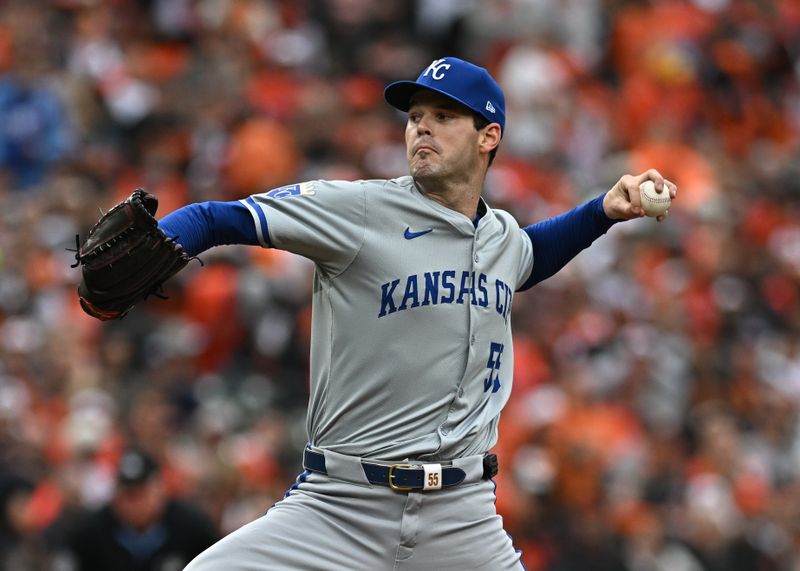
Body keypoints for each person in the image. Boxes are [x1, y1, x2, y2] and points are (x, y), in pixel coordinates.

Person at [150, 56, 676, 570]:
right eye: (415, 117)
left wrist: (602, 213)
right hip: (340, 506)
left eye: (443, 117)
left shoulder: (501, 239)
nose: (422, 128)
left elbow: (531, 255)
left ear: (488, 136)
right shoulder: (357, 210)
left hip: (463, 517)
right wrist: (159, 243)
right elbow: (217, 217)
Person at [68, 448, 218, 571]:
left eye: (141, 494)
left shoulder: (192, 527)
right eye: (127, 495)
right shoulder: (90, 532)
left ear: (160, 489)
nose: (134, 504)